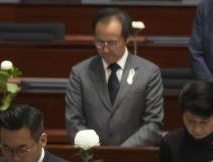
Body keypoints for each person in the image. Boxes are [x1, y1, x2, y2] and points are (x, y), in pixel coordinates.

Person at [65, 7, 163, 146]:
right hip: (92, 158)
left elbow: (153, 125)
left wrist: (119, 154)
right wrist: (97, 151)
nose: (105, 49)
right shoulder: (80, 73)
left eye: (111, 43)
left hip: (134, 157)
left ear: (127, 38)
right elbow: (73, 123)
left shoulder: (149, 72)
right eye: (99, 42)